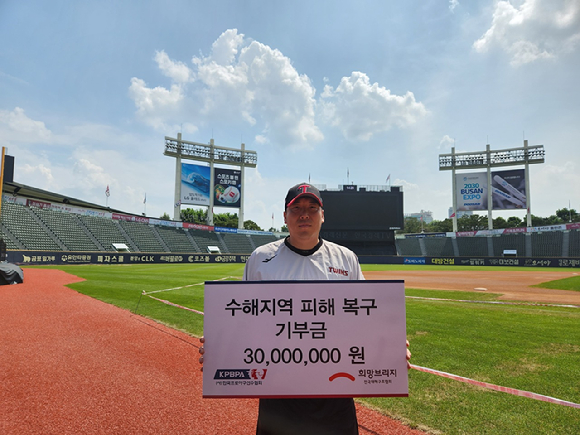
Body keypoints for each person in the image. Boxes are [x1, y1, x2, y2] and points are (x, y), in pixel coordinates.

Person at [200, 182, 411, 435]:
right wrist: (220, 349)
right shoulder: (260, 258)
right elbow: (245, 320)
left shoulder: (345, 258)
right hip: (277, 395)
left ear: (323, 216)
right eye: (296, 208)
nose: (304, 214)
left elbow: (364, 321)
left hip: (335, 394)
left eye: (312, 208)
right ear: (285, 216)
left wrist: (390, 348)